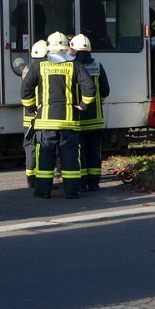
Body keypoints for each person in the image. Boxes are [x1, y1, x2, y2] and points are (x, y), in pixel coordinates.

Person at [21, 31, 96, 199]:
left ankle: (42, 191)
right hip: (69, 121)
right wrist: (83, 106)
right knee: (69, 154)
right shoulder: (75, 65)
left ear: (49, 47)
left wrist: (33, 108)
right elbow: (90, 89)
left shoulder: (38, 66)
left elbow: (25, 91)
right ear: (66, 47)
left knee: (45, 154)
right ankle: (72, 191)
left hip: (46, 121)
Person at [69, 34, 110, 192]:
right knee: (94, 152)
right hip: (96, 119)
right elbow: (105, 90)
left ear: (73, 49)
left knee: (79, 152)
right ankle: (94, 183)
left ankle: (82, 182)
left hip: (77, 118)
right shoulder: (98, 66)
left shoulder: (71, 66)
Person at [21, 39, 48, 189]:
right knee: (43, 146)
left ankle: (30, 177)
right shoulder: (44, 67)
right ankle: (41, 178)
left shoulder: (27, 68)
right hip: (41, 115)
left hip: (27, 116)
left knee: (30, 146)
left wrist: (30, 109)